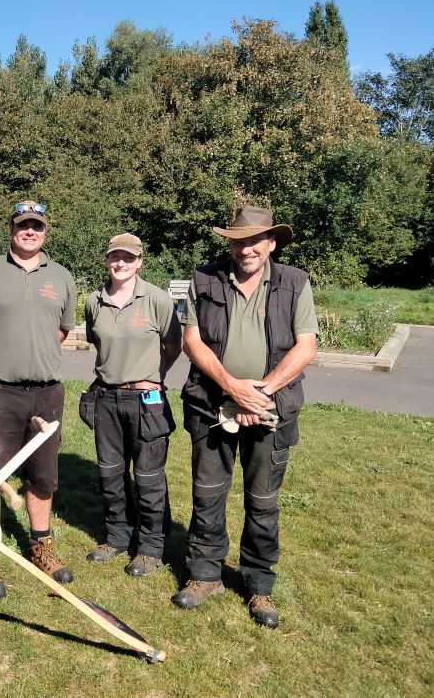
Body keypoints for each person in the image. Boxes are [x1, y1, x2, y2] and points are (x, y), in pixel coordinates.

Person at [172, 205, 318, 628]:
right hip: (210, 404)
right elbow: (191, 340)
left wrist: (260, 393)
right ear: (229, 244)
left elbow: (306, 346)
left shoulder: (295, 282)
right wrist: (232, 388)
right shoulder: (201, 279)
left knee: (263, 502)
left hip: (271, 409)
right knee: (207, 493)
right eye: (238, 240)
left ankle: (259, 586)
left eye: (255, 240)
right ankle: (204, 575)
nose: (246, 248)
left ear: (271, 242)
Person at [0, 200, 76, 598]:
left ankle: (41, 543)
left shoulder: (61, 276)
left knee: (43, 475)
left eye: (37, 226)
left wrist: (34, 355)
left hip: (46, 393)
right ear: (12, 228)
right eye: (23, 225)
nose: (30, 232)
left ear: (45, 231)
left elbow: (61, 330)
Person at [83, 233, 182, 577]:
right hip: (107, 397)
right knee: (110, 473)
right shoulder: (94, 301)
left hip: (146, 401)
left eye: (128, 258)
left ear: (140, 261)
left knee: (148, 477)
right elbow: (98, 341)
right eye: (114, 257)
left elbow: (173, 345)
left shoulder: (156, 299)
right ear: (107, 260)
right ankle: (117, 537)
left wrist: (154, 376)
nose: (120, 263)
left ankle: (151, 546)